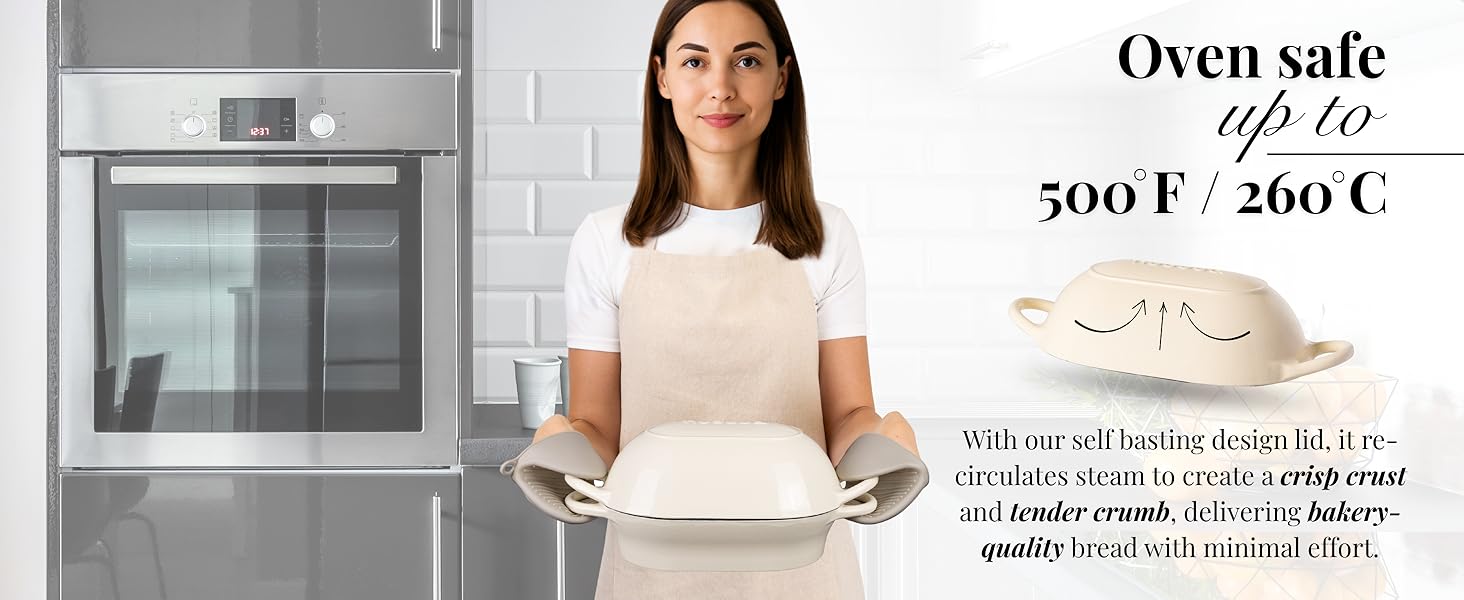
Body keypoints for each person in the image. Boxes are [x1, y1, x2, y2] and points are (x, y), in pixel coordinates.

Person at [532, 1, 919, 597]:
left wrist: (881, 442)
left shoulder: (827, 234)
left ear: (781, 78)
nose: (720, 88)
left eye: (746, 61)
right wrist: (560, 448)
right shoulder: (605, 241)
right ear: (662, 77)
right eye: (695, 62)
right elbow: (599, 429)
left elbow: (846, 416)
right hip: (652, 575)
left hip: (802, 573)